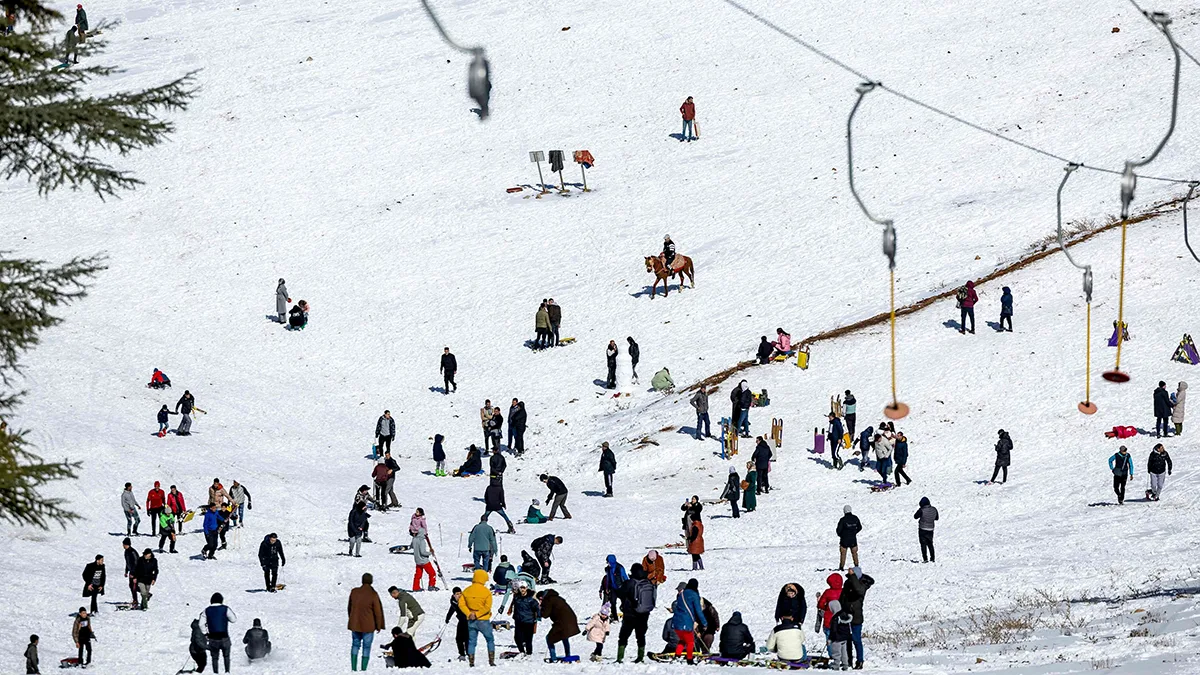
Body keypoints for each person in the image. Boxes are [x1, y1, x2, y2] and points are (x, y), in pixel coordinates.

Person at [615, 563, 654, 663]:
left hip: (630, 614)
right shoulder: (648, 582)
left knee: (623, 636)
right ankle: (640, 657)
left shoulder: (630, 583)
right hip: (644, 613)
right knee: (641, 635)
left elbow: (619, 593)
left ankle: (620, 658)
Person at [459, 569, 496, 666]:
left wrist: (469, 613)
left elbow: (461, 604)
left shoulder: (467, 590)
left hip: (471, 620)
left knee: (471, 641)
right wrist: (478, 614)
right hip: (483, 620)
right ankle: (491, 661)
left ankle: (471, 662)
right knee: (490, 640)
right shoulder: (486, 592)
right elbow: (487, 607)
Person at [348, 573, 385, 671]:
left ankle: (353, 668)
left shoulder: (354, 592)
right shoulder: (373, 594)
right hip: (369, 626)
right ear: (371, 581)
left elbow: (349, 608)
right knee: (366, 647)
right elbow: (378, 612)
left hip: (355, 624)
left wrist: (352, 619)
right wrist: (378, 625)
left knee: (355, 645)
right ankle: (363, 669)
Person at [840, 567, 874, 668]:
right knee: (846, 640)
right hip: (846, 615)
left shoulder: (863, 584)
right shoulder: (848, 582)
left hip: (856, 616)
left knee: (856, 639)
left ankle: (860, 661)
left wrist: (853, 576)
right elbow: (843, 597)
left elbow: (858, 590)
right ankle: (848, 660)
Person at [671, 579, 706, 663]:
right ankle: (689, 659)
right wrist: (704, 622)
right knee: (690, 642)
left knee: (682, 640)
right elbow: (698, 611)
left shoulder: (681, 595)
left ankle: (677, 655)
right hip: (686, 623)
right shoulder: (694, 595)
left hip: (676, 623)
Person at [540, 588, 580, 660]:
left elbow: (545, 614)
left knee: (549, 638)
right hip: (570, 620)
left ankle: (553, 657)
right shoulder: (557, 598)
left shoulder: (548, 600)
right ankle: (568, 655)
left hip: (561, 623)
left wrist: (540, 609)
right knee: (564, 636)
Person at [203, 592, 237, 674]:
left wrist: (205, 633)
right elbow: (233, 619)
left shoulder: (206, 610)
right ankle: (227, 671)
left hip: (213, 638)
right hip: (224, 637)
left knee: (214, 657)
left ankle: (215, 672)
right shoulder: (225, 608)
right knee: (226, 656)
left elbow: (201, 624)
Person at [509, 581, 540, 656]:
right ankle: (522, 652)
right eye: (521, 588)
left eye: (524, 588)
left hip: (529, 621)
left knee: (528, 640)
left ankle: (529, 653)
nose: (522, 590)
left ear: (526, 588)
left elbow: (537, 608)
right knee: (517, 638)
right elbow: (514, 606)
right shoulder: (516, 597)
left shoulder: (531, 598)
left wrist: (538, 617)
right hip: (519, 621)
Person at [815, 574, 843, 655]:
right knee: (841, 639)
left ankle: (832, 655)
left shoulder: (827, 592)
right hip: (841, 620)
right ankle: (841, 654)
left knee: (829, 638)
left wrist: (826, 606)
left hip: (829, 620)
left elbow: (820, 605)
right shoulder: (844, 592)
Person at [828, 600, 854, 670]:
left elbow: (833, 630)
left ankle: (836, 664)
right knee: (844, 652)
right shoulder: (844, 615)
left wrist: (830, 638)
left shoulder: (836, 617)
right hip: (844, 638)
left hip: (837, 638)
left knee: (836, 652)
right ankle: (845, 664)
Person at [447, 588, 469, 661]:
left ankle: (469, 653)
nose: (459, 595)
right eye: (457, 594)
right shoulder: (453, 601)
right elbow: (452, 608)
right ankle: (462, 654)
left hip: (468, 620)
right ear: (454, 595)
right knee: (459, 638)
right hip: (461, 621)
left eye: (460, 593)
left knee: (466, 638)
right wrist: (448, 617)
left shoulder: (465, 600)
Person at [914, 497, 939, 563]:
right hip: (931, 529)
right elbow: (937, 518)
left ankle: (925, 559)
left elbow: (915, 516)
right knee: (930, 544)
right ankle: (932, 558)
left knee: (923, 544)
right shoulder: (934, 509)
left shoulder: (922, 510)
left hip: (922, 529)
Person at [836, 506, 861, 570]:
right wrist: (854, 532)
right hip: (853, 540)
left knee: (843, 554)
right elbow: (860, 527)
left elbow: (838, 530)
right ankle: (856, 565)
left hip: (844, 540)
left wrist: (842, 535)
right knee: (855, 553)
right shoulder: (855, 518)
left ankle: (841, 567)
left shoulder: (843, 520)